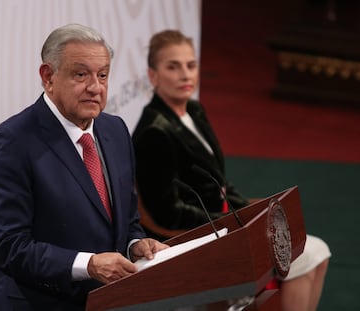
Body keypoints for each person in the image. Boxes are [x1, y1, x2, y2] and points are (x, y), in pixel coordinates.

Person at [132, 29, 331, 311]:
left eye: (191, 65)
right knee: (308, 255)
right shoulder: (153, 133)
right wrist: (236, 225)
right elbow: (168, 213)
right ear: (153, 76)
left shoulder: (195, 111)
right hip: (195, 242)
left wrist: (254, 212)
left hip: (223, 226)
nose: (185, 75)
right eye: (172, 67)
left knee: (317, 252)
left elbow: (219, 181)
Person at [0, 23, 168, 311]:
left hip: (106, 302)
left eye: (102, 75)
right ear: (48, 76)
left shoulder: (115, 131)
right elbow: (7, 246)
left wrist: (135, 244)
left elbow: (126, 221)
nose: (95, 87)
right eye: (81, 74)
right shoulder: (10, 143)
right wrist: (88, 265)